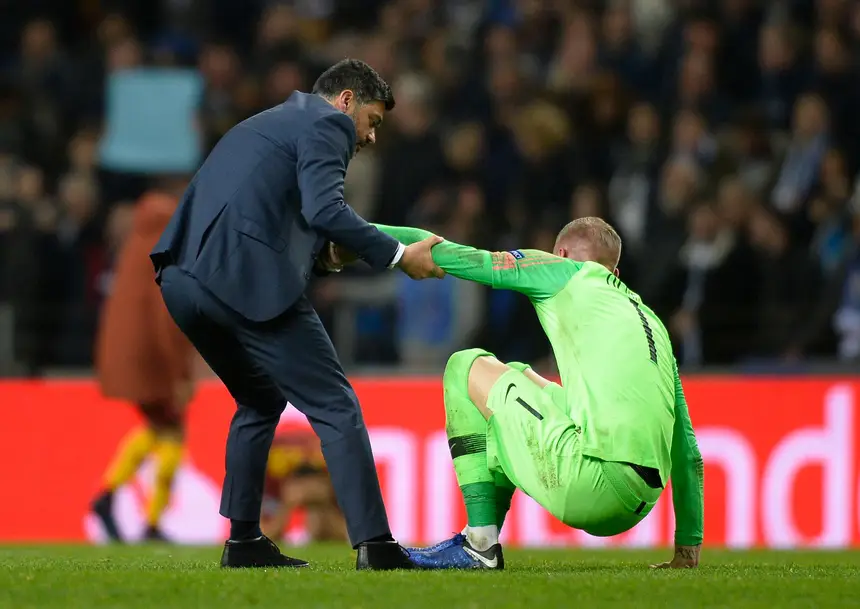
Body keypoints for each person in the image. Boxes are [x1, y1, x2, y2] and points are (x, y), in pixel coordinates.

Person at [150, 59, 442, 570]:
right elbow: (325, 210)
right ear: (347, 101)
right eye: (373, 122)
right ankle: (375, 545)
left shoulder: (269, 122)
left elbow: (269, 212)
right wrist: (398, 255)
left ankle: (243, 541)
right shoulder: (327, 124)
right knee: (335, 403)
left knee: (260, 398)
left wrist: (328, 256)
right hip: (240, 281)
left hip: (182, 278)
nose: (371, 138)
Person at [331, 217, 704, 570]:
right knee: (517, 377)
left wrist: (360, 234)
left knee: (466, 367)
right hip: (639, 502)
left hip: (592, 484)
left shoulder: (565, 271)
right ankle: (483, 541)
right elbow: (687, 449)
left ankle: (479, 544)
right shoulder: (652, 323)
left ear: (559, 255)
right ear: (616, 273)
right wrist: (688, 547)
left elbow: (455, 254)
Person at [91, 181, 195, 543]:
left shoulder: (134, 245)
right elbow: (167, 315)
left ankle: (112, 499)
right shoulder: (164, 247)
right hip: (155, 362)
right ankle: (143, 517)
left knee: (157, 429)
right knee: (171, 433)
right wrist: (180, 372)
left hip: (129, 360)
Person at [261, 428, 347, 543]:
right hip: (281, 503)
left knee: (315, 514)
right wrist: (286, 507)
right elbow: (262, 535)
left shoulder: (338, 490)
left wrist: (325, 506)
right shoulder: (270, 490)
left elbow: (352, 537)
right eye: (301, 483)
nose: (307, 489)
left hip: (326, 515)